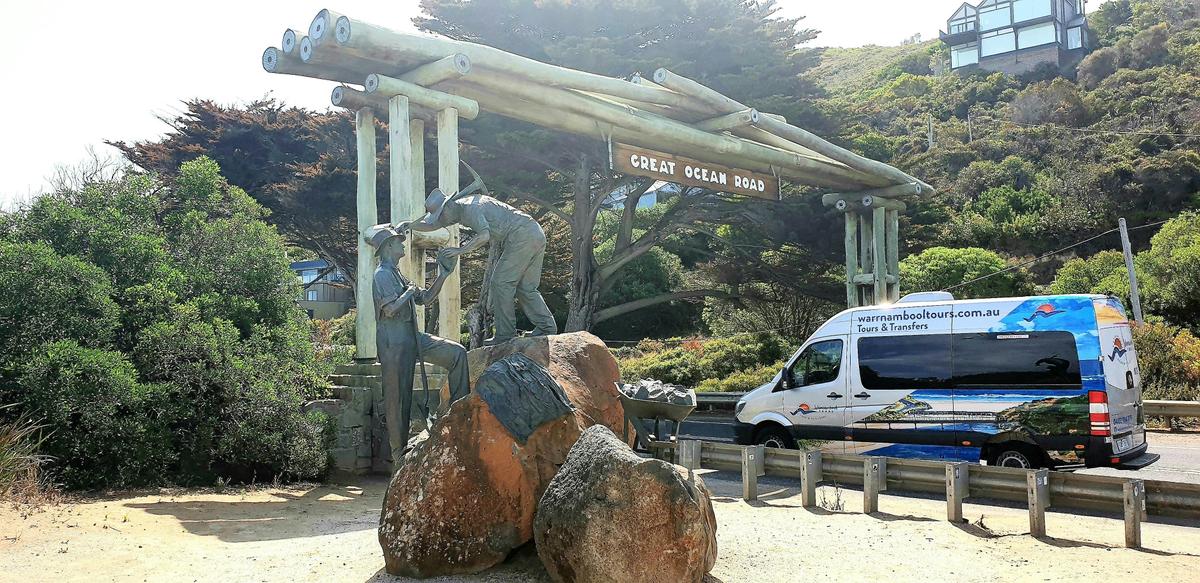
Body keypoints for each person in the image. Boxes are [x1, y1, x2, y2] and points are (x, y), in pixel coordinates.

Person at [400, 187, 557, 344]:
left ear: (447, 207)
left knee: (501, 283)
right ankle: (546, 327)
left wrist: (460, 250)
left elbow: (484, 236)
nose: (441, 220)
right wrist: (410, 225)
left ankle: (505, 334)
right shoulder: (456, 209)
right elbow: (433, 225)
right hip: (534, 232)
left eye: (440, 215)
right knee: (526, 287)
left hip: (521, 236)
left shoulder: (471, 209)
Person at [367, 225, 469, 460]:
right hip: (393, 343)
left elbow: (426, 298)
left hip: (412, 337)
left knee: (457, 353)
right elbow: (390, 310)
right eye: (398, 242)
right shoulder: (381, 275)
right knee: (398, 398)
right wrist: (408, 293)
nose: (403, 244)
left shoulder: (397, 274)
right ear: (388, 247)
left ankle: (460, 412)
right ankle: (398, 454)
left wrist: (443, 274)